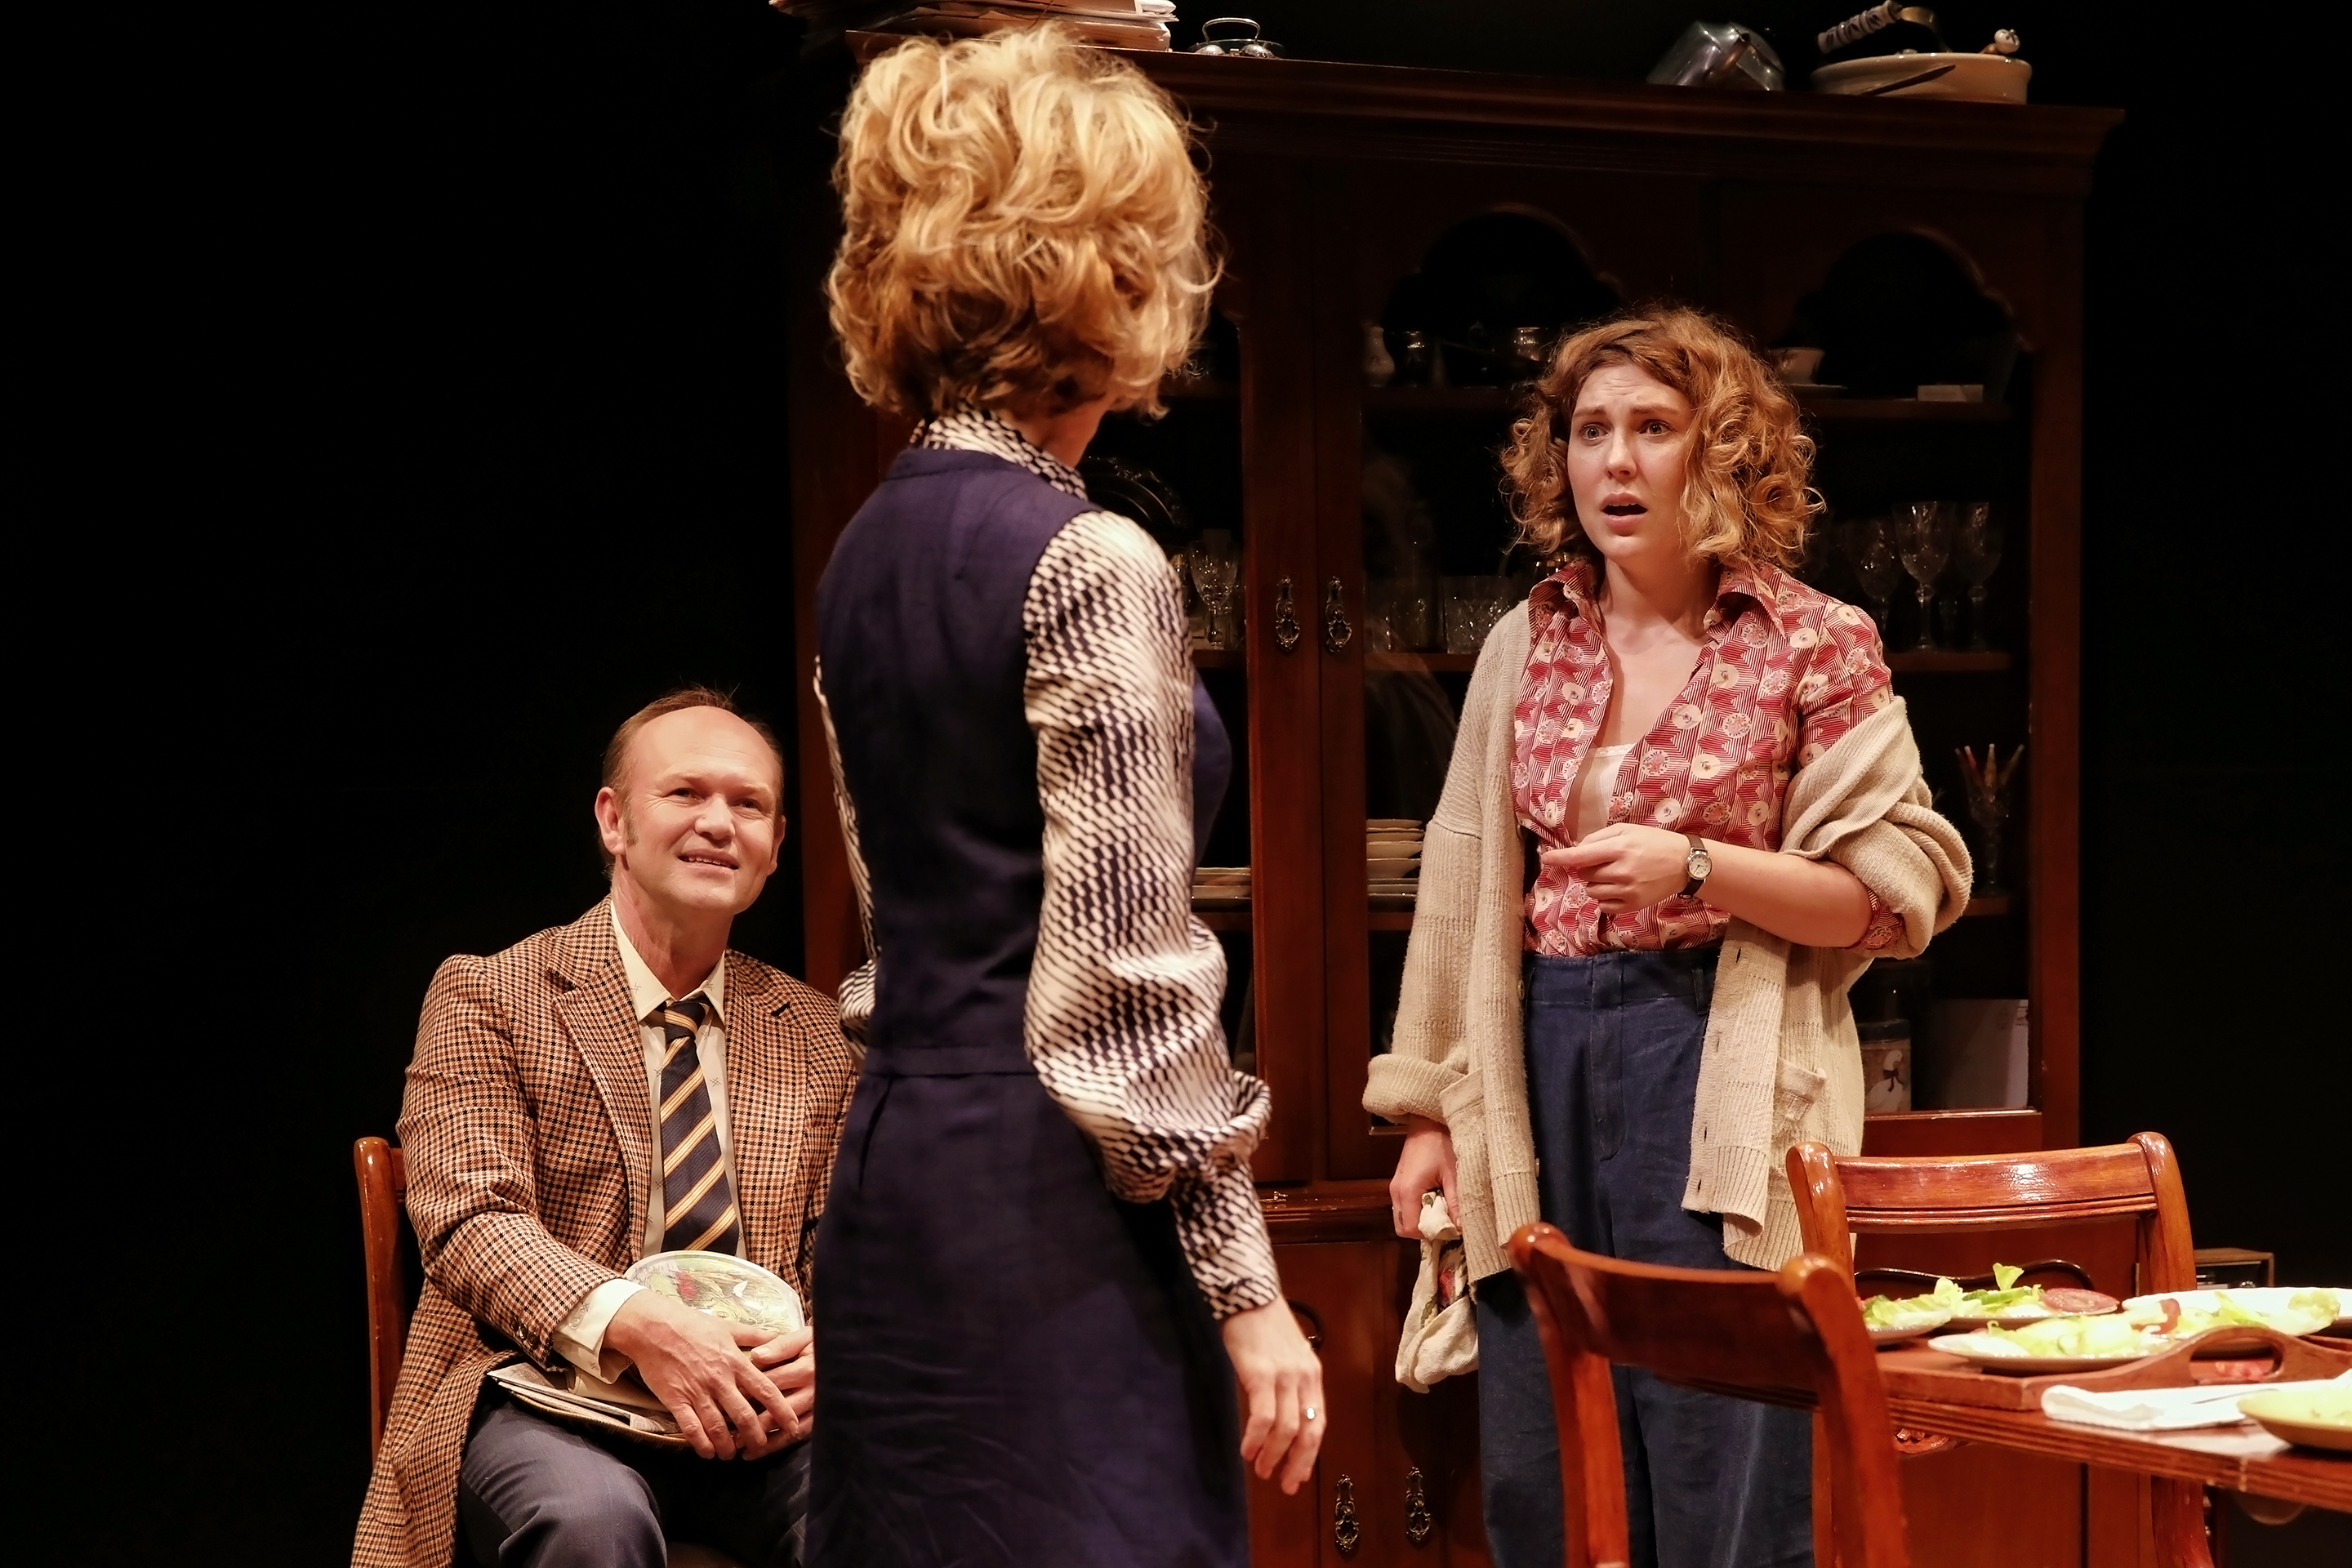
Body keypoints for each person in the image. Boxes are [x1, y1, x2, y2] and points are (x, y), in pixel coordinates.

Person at [805, 28, 1322, 1567]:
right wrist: (1249, 1289)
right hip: (1049, 1209)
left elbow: (896, 931)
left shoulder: (865, 552)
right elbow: (1119, 984)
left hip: (900, 1178)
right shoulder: (1089, 559)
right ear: (1105, 275)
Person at [1366, 309, 1971, 1568]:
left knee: (1721, 1451)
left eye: (1653, 428)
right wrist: (1430, 1112)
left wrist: (1699, 867)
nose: (1616, 461)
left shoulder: (1811, 640)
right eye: (1591, 431)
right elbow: (1463, 886)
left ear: (1724, 450)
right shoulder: (1529, 638)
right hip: (1539, 1063)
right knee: (1548, 1462)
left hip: (1713, 1059)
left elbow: (1896, 892)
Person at [354, 688, 858, 1568]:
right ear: (614, 821)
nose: (718, 823)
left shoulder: (818, 1032)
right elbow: (471, 1222)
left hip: (760, 1406)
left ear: (777, 844)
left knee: (895, 1504)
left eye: (748, 804)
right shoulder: (491, 994)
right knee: (592, 1522)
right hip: (542, 1390)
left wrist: (837, 1345)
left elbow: (857, 1245)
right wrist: (645, 1328)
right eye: (685, 793)